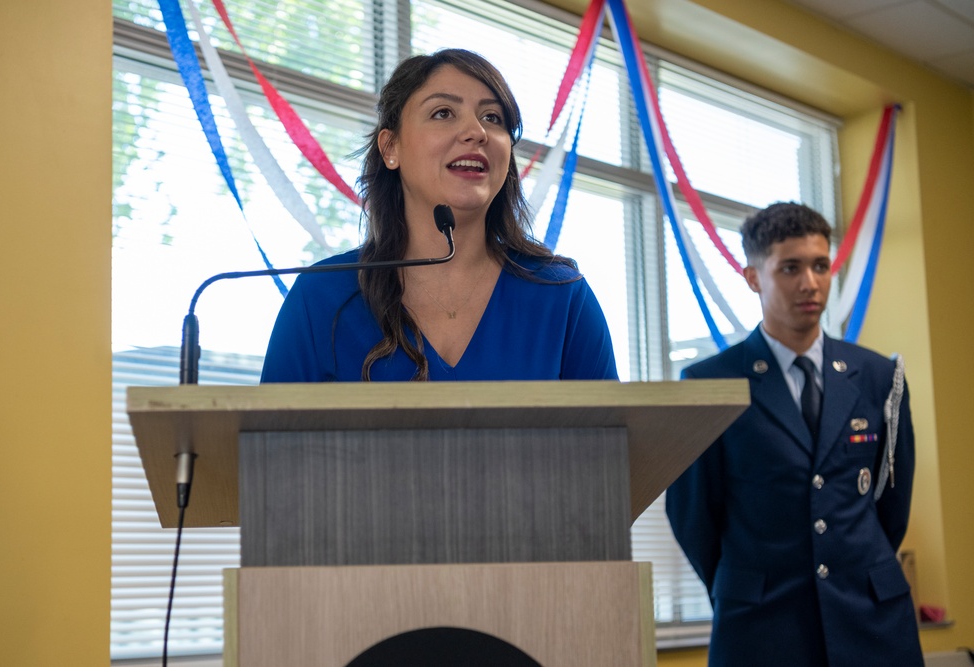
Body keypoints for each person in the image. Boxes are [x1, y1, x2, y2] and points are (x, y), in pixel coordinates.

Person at [260, 49, 617, 383]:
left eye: (492, 118)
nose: (476, 132)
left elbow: (614, 444)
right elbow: (268, 446)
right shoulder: (319, 297)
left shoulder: (563, 297)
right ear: (391, 148)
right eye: (443, 113)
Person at [666, 202, 922, 666]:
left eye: (821, 266)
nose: (810, 283)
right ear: (753, 277)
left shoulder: (878, 376)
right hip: (763, 627)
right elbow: (692, 516)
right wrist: (740, 585)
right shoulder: (711, 383)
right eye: (790, 268)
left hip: (872, 622)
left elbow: (892, 504)